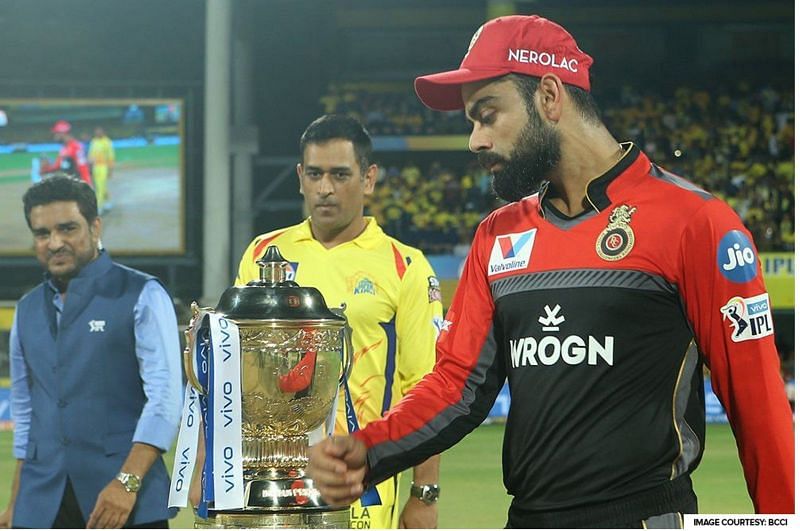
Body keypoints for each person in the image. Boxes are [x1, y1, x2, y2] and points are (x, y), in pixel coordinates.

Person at [307, 14, 795, 528]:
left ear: (548, 96)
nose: (475, 140)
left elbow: (759, 406)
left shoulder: (696, 222)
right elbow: (455, 387)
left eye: (487, 114)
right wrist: (368, 450)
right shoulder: (497, 236)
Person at [235, 114, 443, 529]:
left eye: (339, 174)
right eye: (314, 174)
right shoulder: (263, 255)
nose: (324, 188)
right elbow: (231, 373)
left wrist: (424, 494)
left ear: (368, 178)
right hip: (269, 480)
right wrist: (210, 465)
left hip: (360, 480)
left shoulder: (405, 267)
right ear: (300, 177)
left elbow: (425, 387)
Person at [0, 175, 183, 528]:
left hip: (125, 501)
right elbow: (26, 416)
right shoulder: (26, 310)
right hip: (41, 505)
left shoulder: (143, 294)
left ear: (95, 226)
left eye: (67, 228)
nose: (54, 243)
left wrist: (127, 483)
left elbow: (164, 400)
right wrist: (16, 503)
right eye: (42, 233)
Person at [40, 120, 94, 187]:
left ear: (63, 133)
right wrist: (46, 170)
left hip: (78, 186)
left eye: (56, 133)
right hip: (68, 186)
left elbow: (83, 168)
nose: (54, 136)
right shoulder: (64, 148)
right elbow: (57, 166)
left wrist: (87, 187)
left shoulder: (76, 147)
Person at [88, 126, 116, 214]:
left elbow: (111, 157)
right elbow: (90, 154)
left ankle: (99, 207)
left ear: (103, 132)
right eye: (96, 131)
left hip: (104, 166)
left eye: (99, 131)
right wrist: (90, 165)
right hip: (96, 167)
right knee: (100, 186)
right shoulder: (94, 142)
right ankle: (108, 202)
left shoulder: (107, 142)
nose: (98, 133)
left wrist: (110, 170)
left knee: (100, 187)